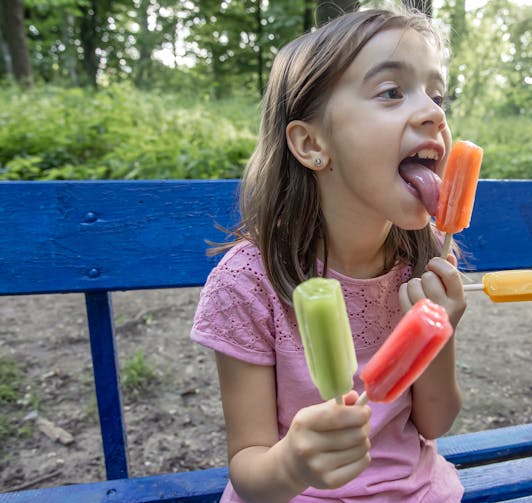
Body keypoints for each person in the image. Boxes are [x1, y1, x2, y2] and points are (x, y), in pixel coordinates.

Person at [191, 6, 466, 502]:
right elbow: (249, 472)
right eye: (391, 92)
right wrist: (292, 462)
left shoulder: (424, 263)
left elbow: (435, 422)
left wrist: (437, 334)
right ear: (312, 142)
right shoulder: (250, 284)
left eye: (437, 94)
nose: (434, 112)